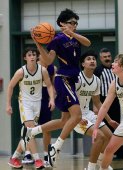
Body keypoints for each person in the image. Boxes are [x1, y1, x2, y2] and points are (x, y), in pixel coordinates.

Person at [21, 8, 91, 167]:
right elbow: (49, 60)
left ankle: (32, 131)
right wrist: (39, 45)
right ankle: (56, 147)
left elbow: (88, 42)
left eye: (75, 23)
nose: (74, 25)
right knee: (77, 115)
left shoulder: (75, 38)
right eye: (71, 23)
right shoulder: (57, 40)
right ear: (62, 24)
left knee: (63, 120)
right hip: (63, 79)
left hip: (72, 80)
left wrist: (72, 33)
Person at [6, 47, 55, 169]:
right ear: (25, 58)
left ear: (37, 57)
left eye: (34, 54)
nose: (32, 56)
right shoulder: (21, 72)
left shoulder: (43, 70)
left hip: (37, 103)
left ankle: (14, 157)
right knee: (30, 129)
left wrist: (52, 99)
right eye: (29, 55)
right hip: (25, 103)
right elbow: (10, 86)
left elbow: (49, 85)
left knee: (29, 133)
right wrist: (8, 104)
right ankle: (38, 160)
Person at [74, 51, 118, 170]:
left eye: (93, 59)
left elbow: (98, 102)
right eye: (88, 59)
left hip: (88, 113)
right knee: (99, 137)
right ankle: (90, 167)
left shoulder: (96, 80)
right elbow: (70, 101)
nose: (92, 61)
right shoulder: (77, 78)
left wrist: (109, 120)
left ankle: (100, 162)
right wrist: (78, 117)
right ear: (83, 64)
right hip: (75, 116)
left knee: (110, 137)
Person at [93, 48, 123, 159]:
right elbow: (95, 88)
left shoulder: (115, 69)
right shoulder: (98, 71)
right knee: (109, 128)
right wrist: (95, 106)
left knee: (116, 126)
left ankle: (118, 151)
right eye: (104, 57)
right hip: (104, 101)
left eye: (108, 56)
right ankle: (114, 152)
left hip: (116, 101)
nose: (107, 59)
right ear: (101, 58)